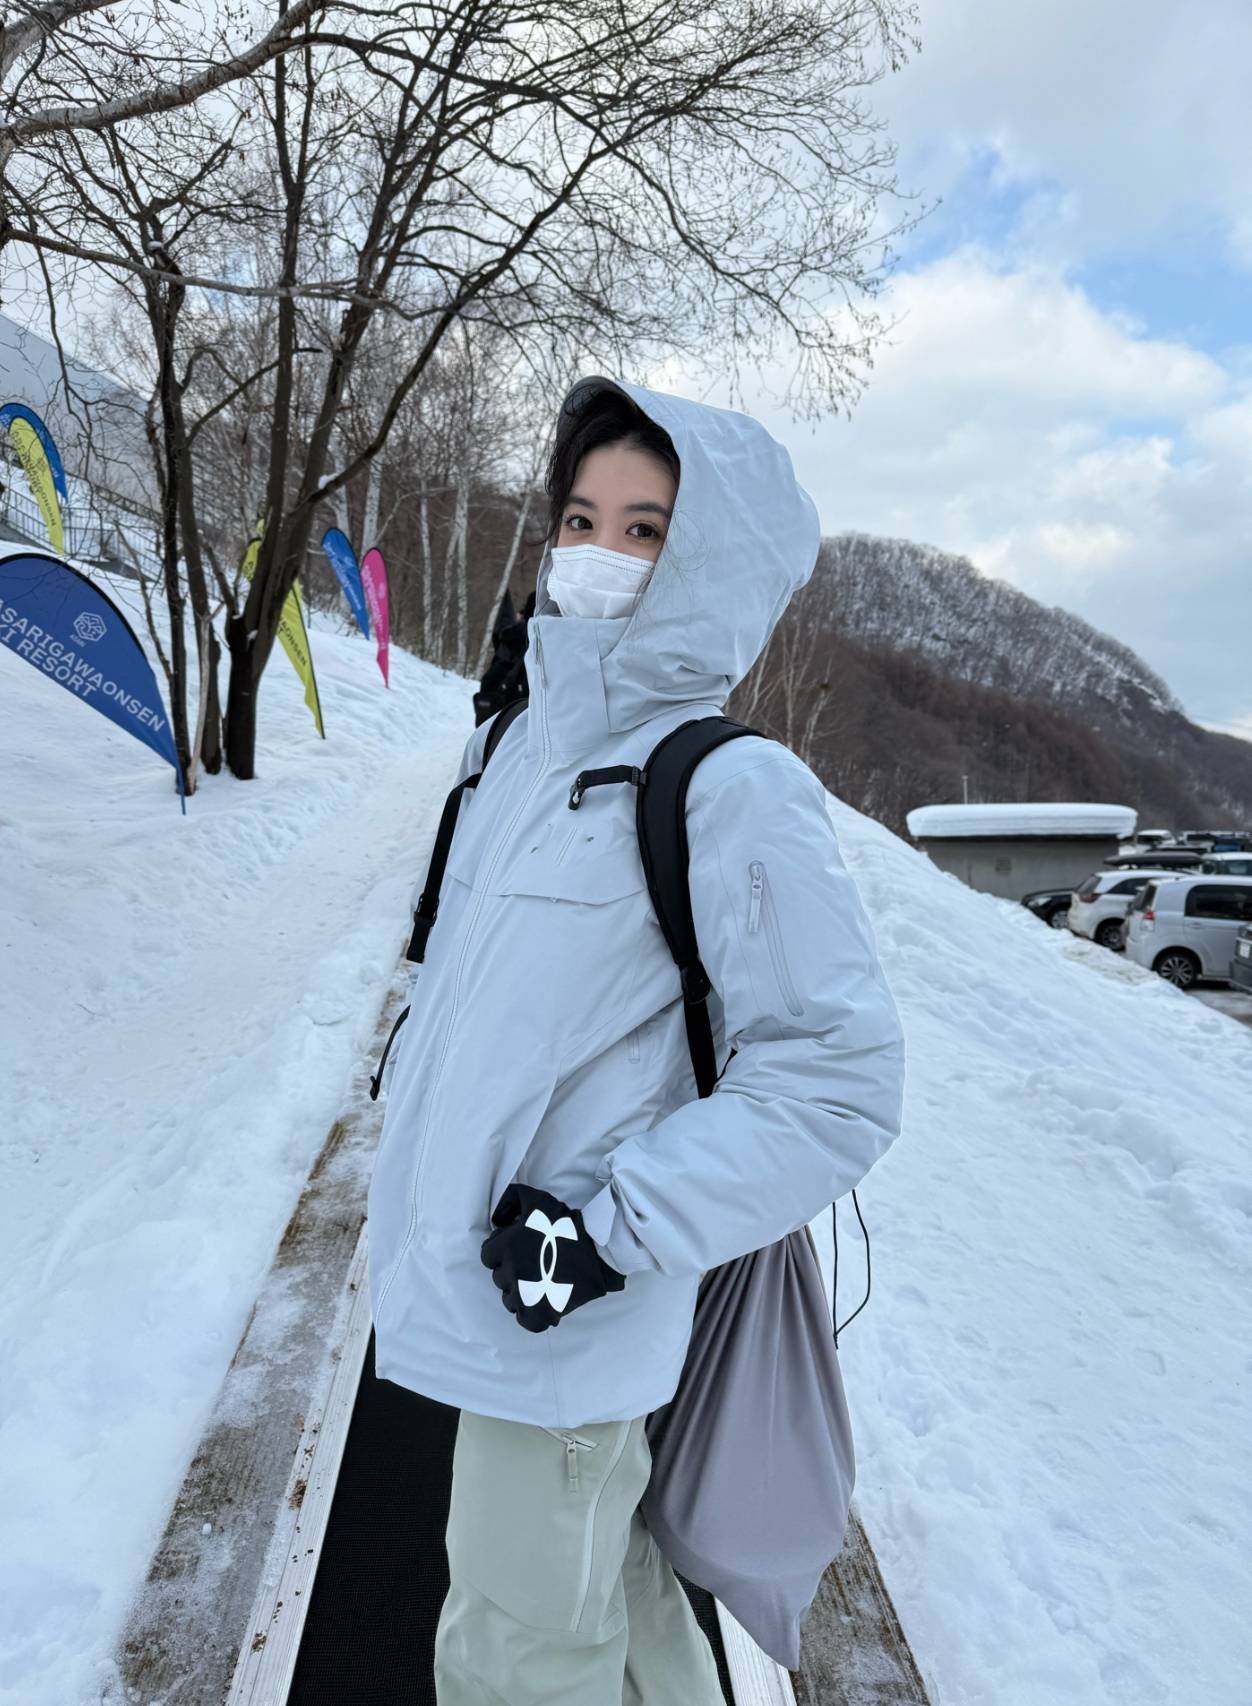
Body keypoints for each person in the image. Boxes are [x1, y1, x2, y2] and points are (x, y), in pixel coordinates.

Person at [366, 374, 907, 1705]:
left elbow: (837, 1082)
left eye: (646, 529)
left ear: (711, 562)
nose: (598, 555)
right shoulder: (519, 752)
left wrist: (607, 1230)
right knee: (610, 1588)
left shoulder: (735, 789)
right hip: (483, 1277)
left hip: (573, 1310)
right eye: (581, 519)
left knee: (515, 1646)